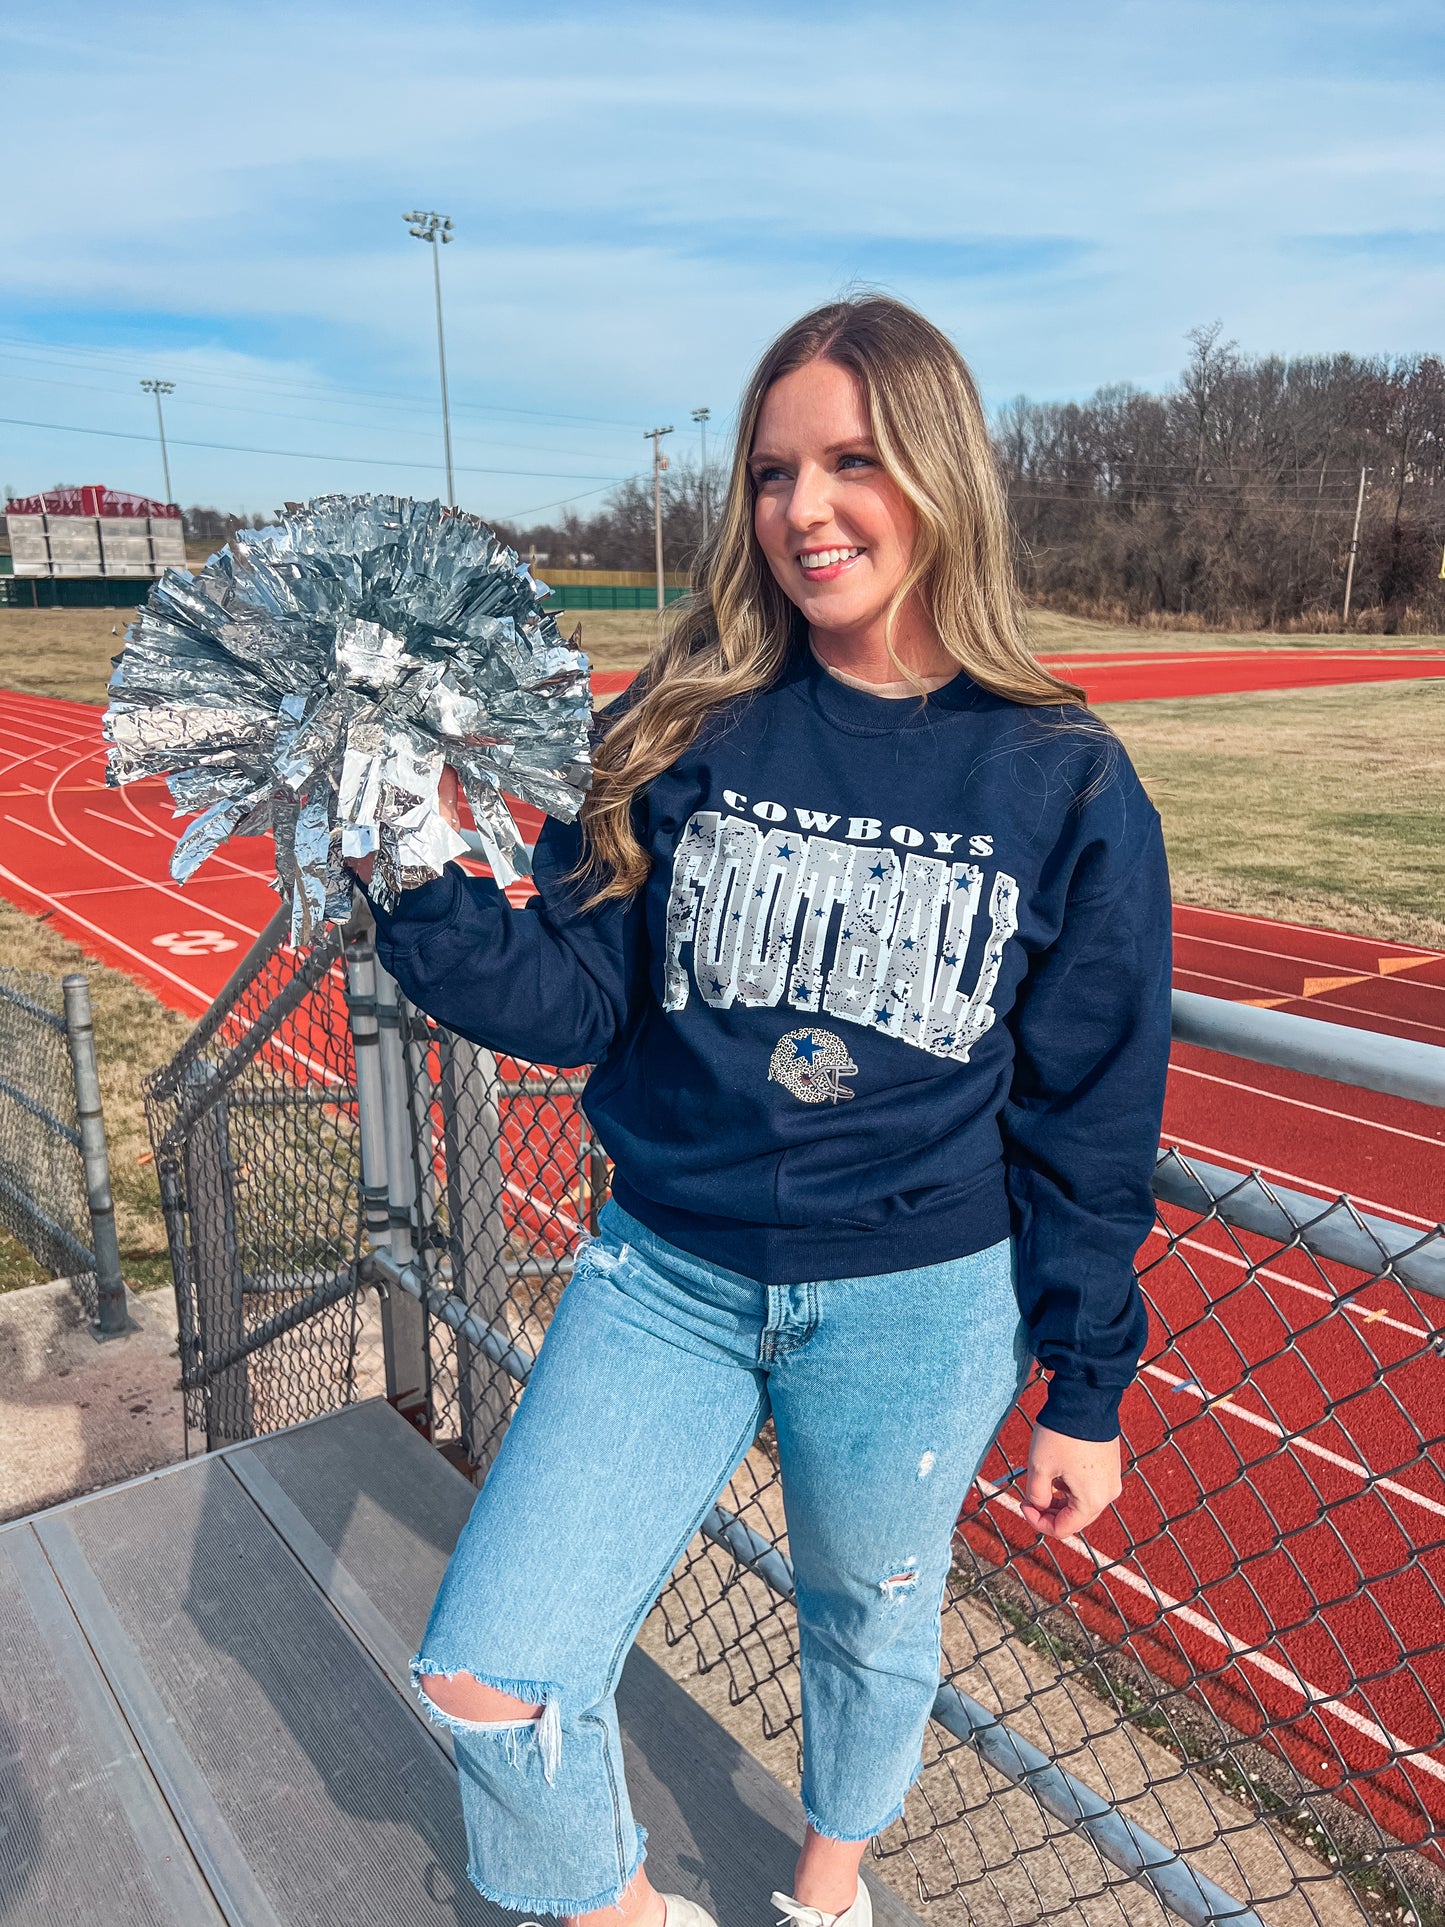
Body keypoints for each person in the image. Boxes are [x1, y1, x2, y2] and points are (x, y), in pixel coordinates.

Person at [356, 295, 1172, 1927]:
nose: (804, 510)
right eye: (769, 471)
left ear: (940, 473)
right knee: (487, 1680)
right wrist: (408, 853)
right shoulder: (676, 723)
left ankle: (827, 1893)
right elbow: (572, 1002)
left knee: (866, 1620)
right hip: (664, 1276)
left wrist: (1084, 1385)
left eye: (852, 462)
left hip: (919, 1303)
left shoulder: (1061, 777)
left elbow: (1089, 1117)